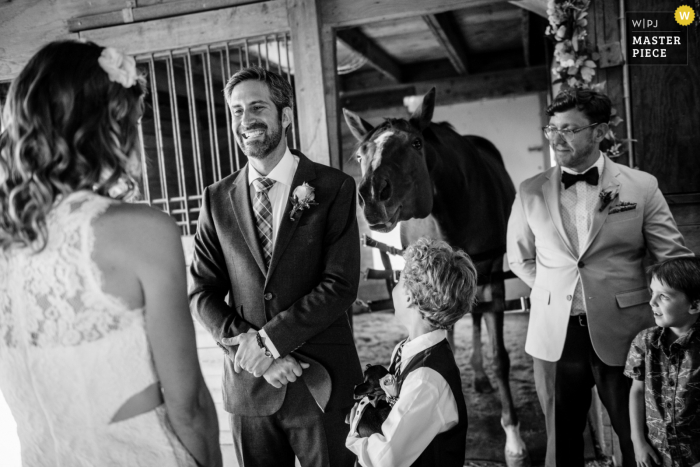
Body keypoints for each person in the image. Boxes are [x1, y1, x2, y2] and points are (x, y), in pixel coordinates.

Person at [0, 40, 221, 467]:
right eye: (134, 122)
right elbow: (189, 405)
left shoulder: (8, 239)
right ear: (108, 126)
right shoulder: (141, 232)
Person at [506, 87, 692, 467]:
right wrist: (555, 294)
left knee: (637, 438)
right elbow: (520, 258)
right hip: (554, 335)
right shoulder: (529, 192)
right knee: (561, 442)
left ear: (599, 131)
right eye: (552, 128)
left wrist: (670, 313)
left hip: (626, 331)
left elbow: (672, 258)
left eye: (570, 129)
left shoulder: (641, 186)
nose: (557, 138)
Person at [189, 66, 363, 467]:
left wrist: (270, 342)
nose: (245, 120)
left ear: (285, 115)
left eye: (256, 107)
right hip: (250, 388)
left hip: (322, 382)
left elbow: (339, 285)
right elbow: (202, 293)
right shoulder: (216, 199)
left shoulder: (334, 187)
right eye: (236, 111)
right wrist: (256, 353)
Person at [346, 238, 476, 467]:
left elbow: (384, 459)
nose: (395, 285)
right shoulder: (407, 348)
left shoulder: (426, 380)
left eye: (399, 279)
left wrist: (355, 429)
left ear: (408, 297)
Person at [625, 257, 700, 467]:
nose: (652, 302)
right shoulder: (644, 342)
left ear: (695, 305)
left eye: (663, 296)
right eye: (652, 292)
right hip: (658, 454)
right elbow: (637, 391)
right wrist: (638, 441)